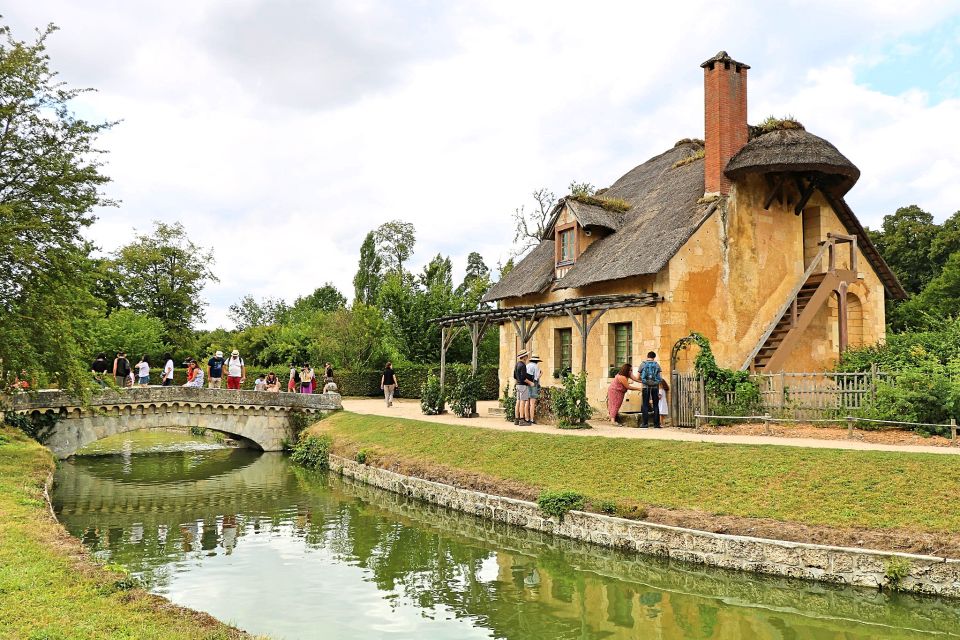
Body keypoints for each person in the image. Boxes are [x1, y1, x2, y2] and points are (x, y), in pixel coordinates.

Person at [639, 351, 663, 428]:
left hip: (645, 387)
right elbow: (660, 378)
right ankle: (656, 424)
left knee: (645, 404)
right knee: (656, 405)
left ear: (647, 356)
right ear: (654, 357)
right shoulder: (657, 365)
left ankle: (645, 424)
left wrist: (644, 381)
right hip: (655, 387)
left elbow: (638, 376)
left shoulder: (643, 364)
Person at [513, 351, 533, 425]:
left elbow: (514, 376)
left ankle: (516, 419)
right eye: (526, 355)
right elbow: (524, 378)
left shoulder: (517, 364)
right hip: (523, 386)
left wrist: (519, 380)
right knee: (522, 402)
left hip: (518, 385)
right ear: (524, 357)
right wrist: (531, 383)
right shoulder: (523, 365)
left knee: (518, 401)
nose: (527, 357)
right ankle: (522, 420)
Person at [526, 354, 543, 424]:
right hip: (533, 384)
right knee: (532, 403)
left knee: (526, 402)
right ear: (537, 361)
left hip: (526, 384)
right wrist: (541, 374)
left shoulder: (527, 365)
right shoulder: (536, 366)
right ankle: (531, 419)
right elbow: (536, 378)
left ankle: (526, 418)